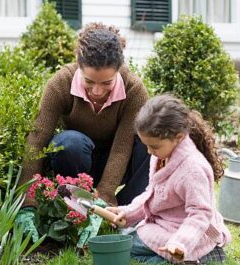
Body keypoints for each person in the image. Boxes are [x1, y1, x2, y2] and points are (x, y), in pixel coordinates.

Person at [15, 23, 150, 247]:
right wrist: (26, 200)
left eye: (107, 83)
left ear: (119, 70)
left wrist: (105, 196)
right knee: (68, 143)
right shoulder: (60, 83)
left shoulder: (134, 90)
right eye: (89, 82)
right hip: (76, 161)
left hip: (115, 162)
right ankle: (76, 204)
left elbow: (122, 148)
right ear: (79, 66)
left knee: (148, 146)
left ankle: (122, 214)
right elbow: (37, 140)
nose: (97, 91)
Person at [107, 94, 231, 264]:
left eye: (154, 146)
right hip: (166, 225)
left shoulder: (192, 170)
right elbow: (153, 193)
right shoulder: (162, 155)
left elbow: (200, 213)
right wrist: (128, 212)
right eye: (147, 146)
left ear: (179, 137)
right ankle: (180, 259)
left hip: (190, 235)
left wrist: (180, 243)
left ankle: (194, 256)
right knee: (125, 241)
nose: (149, 152)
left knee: (125, 244)